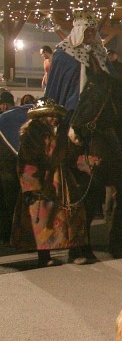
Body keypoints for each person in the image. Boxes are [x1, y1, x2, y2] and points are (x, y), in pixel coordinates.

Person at [10, 99, 95, 266]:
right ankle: (44, 256)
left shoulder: (62, 133)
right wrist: (30, 187)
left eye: (56, 115)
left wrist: (87, 160)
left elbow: (70, 156)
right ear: (41, 117)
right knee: (43, 218)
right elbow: (27, 161)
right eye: (50, 115)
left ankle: (74, 252)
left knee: (71, 215)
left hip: (64, 181)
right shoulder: (32, 134)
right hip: (43, 181)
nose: (54, 118)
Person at [45, 12, 109, 111]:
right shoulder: (63, 53)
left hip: (100, 101)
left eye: (93, 30)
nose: (90, 34)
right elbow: (56, 83)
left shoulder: (99, 52)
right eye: (87, 30)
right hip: (73, 104)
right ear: (79, 31)